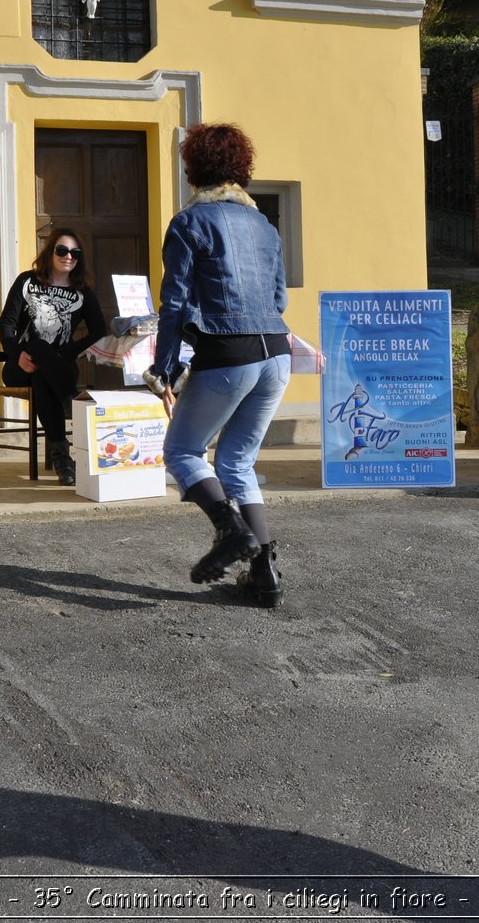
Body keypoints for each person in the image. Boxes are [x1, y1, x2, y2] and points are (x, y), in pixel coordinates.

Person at [148, 122, 291, 606]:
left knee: (184, 452)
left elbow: (174, 305)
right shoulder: (266, 226)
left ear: (194, 171)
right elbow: (278, 299)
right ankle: (265, 575)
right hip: (276, 354)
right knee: (237, 462)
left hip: (228, 355)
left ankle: (230, 532)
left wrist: (163, 370)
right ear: (242, 170)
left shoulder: (189, 223)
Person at [0, 227, 107, 485]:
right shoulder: (27, 281)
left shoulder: (83, 291)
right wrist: (18, 352)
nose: (68, 256)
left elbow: (99, 330)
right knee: (38, 347)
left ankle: (63, 461)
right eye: (62, 250)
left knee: (42, 379)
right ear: (50, 252)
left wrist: (66, 352)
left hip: (59, 368)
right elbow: (6, 324)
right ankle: (70, 401)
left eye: (74, 253)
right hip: (19, 367)